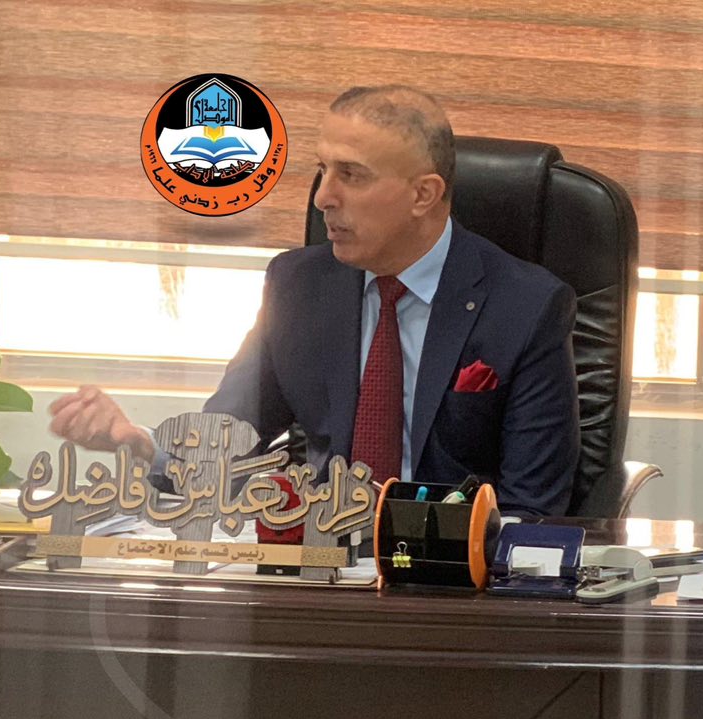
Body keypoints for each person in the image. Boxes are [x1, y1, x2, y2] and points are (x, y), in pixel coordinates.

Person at [47, 86, 579, 518]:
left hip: (450, 582)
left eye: (351, 174)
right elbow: (224, 444)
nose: (324, 196)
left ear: (423, 194)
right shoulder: (298, 286)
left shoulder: (526, 306)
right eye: (323, 169)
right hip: (319, 563)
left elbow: (531, 509)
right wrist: (137, 442)